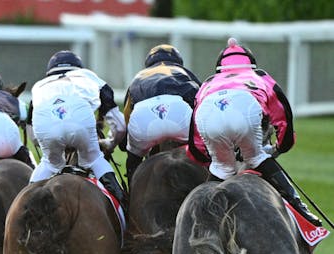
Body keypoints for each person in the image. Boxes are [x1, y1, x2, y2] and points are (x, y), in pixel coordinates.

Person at [187, 37, 321, 226]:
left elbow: (195, 141)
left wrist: (207, 157)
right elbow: (283, 117)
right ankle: (300, 207)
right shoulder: (260, 76)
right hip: (245, 107)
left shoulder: (207, 83)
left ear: (219, 68)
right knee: (256, 158)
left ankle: (198, 222)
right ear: (250, 64)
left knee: (222, 168)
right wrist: (281, 146)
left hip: (208, 111)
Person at [28, 50, 128, 216]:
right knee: (95, 160)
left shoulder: (39, 86)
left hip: (46, 124)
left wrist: (55, 147)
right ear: (78, 68)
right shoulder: (89, 77)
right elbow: (120, 126)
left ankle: (25, 205)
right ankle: (124, 210)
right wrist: (109, 143)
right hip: (80, 123)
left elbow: (34, 137)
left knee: (49, 164)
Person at [122, 44, 201, 187]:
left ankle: (130, 195)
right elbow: (201, 101)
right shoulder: (184, 72)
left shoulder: (138, 77)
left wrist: (125, 145)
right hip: (179, 112)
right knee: (206, 150)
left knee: (133, 160)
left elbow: (127, 117)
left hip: (144, 116)